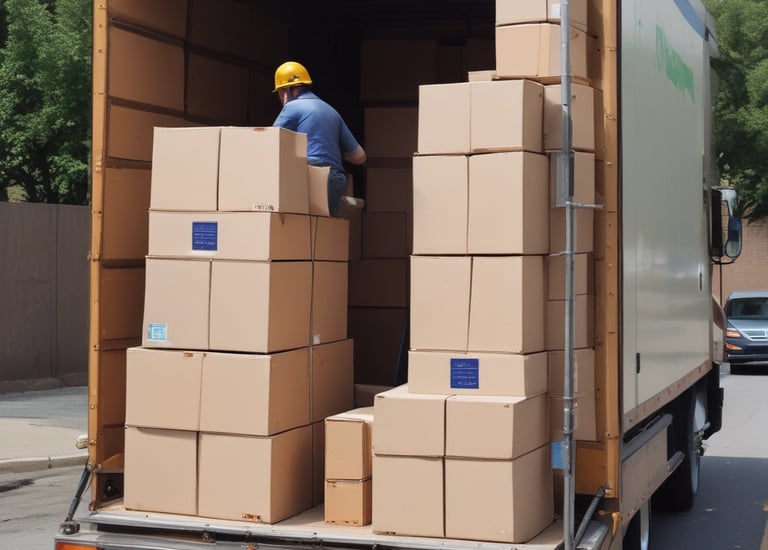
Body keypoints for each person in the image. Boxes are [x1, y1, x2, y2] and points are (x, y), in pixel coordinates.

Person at [272, 61, 366, 217]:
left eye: (280, 94)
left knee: (301, 228)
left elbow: (270, 143)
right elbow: (359, 156)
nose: (280, 99)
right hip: (336, 180)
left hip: (310, 177)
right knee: (326, 230)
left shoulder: (292, 107)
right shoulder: (332, 112)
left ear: (288, 90)